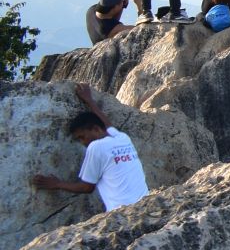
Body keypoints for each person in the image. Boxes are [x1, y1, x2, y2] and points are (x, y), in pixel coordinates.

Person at [30, 83, 150, 212]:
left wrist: (57, 184)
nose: (83, 142)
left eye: (82, 137)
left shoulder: (96, 146)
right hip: (145, 204)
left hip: (124, 212)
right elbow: (106, 124)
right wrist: (89, 101)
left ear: (96, 129)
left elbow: (87, 187)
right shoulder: (122, 138)